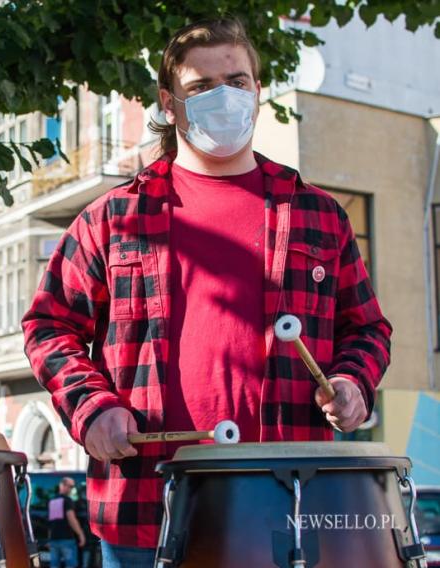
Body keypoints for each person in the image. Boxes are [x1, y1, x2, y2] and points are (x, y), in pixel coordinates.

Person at [21, 18, 391, 567]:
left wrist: (352, 381)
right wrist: (91, 407)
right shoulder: (112, 219)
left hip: (293, 505)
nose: (225, 98)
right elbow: (50, 326)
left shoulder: (318, 215)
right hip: (147, 510)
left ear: (259, 91)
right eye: (202, 87)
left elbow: (366, 329)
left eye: (238, 82)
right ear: (170, 104)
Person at [47, 477, 87, 568]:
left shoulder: (52, 500)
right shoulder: (67, 500)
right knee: (71, 565)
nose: (72, 489)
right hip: (67, 539)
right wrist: (81, 534)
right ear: (62, 485)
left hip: (54, 540)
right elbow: (71, 519)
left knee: (54, 565)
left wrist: (49, 539)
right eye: (71, 486)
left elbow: (51, 523)